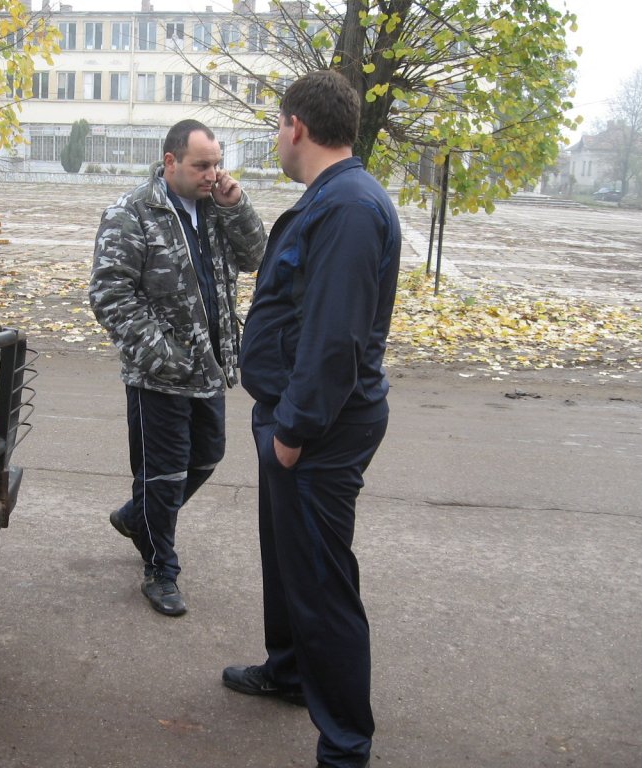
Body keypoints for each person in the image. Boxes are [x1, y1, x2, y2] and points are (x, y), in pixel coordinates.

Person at [221, 70, 401, 768]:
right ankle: (290, 670)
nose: (276, 137)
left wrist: (293, 433)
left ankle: (346, 746)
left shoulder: (349, 207)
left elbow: (335, 338)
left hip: (318, 428)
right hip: (295, 416)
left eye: (276, 125)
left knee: (323, 583)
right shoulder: (332, 197)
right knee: (290, 563)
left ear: (296, 126)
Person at [89, 119, 265, 617]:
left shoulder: (215, 207)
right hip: (159, 377)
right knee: (163, 476)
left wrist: (236, 205)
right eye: (201, 165)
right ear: (170, 162)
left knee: (207, 456)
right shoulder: (132, 213)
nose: (213, 174)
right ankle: (160, 570)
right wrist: (164, 357)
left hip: (210, 367)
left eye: (217, 164)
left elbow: (255, 256)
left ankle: (137, 516)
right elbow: (110, 295)